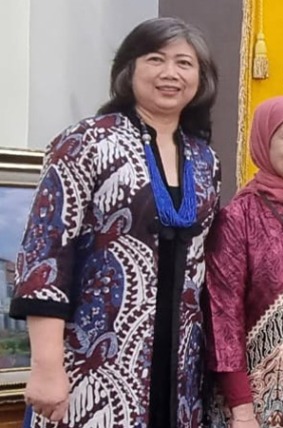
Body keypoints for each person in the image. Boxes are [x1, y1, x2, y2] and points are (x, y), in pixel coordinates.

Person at [7, 17, 220, 427]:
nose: (170, 73)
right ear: (128, 69)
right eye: (156, 59)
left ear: (201, 77)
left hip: (179, 373)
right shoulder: (84, 142)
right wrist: (47, 367)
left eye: (184, 63)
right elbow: (45, 257)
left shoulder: (204, 159)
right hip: (94, 365)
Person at [205, 96, 283, 427]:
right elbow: (224, 318)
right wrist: (241, 408)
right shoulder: (239, 217)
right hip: (253, 404)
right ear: (264, 141)